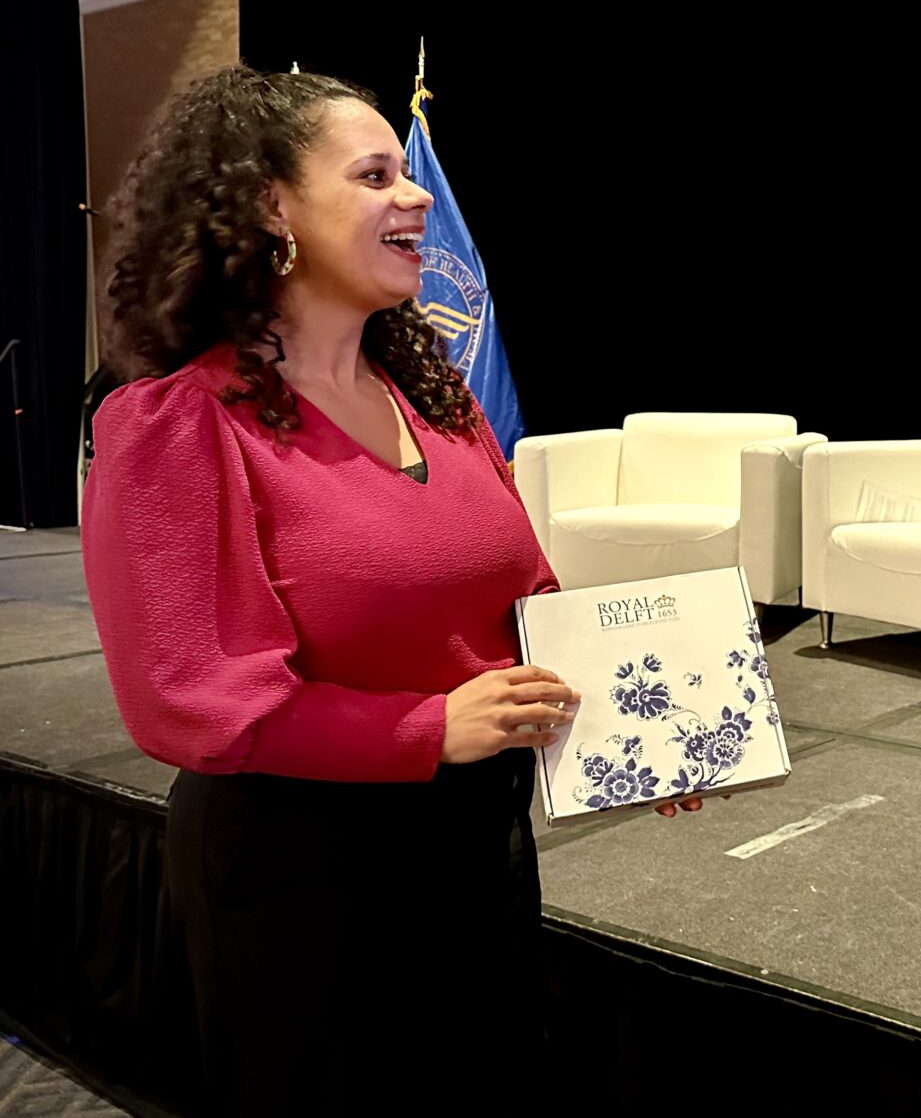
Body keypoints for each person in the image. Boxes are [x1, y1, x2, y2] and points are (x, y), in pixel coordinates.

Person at [82, 65, 699, 1115]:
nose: (413, 197)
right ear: (271, 206)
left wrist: (646, 737)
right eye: (375, 176)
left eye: (407, 175)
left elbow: (526, 603)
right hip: (299, 876)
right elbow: (188, 701)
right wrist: (424, 728)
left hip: (471, 850)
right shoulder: (179, 423)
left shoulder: (437, 397)